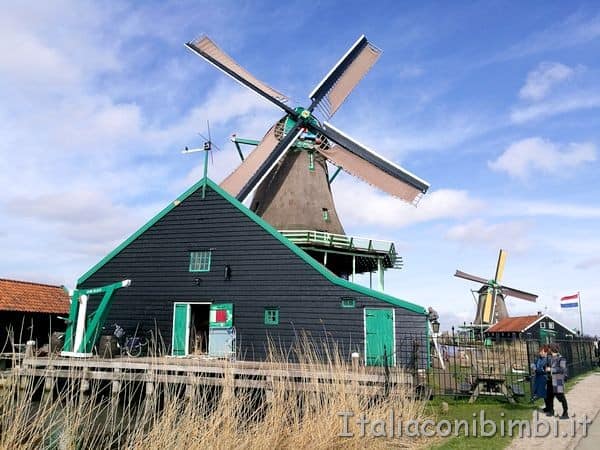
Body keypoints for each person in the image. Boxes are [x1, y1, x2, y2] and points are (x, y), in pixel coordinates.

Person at [545, 343, 569, 419]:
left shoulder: (561, 358)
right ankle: (551, 411)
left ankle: (565, 413)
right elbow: (547, 366)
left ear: (552, 349)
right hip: (550, 380)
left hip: (558, 380)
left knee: (561, 397)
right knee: (549, 396)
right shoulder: (549, 358)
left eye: (549, 348)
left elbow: (562, 369)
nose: (548, 349)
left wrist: (551, 369)